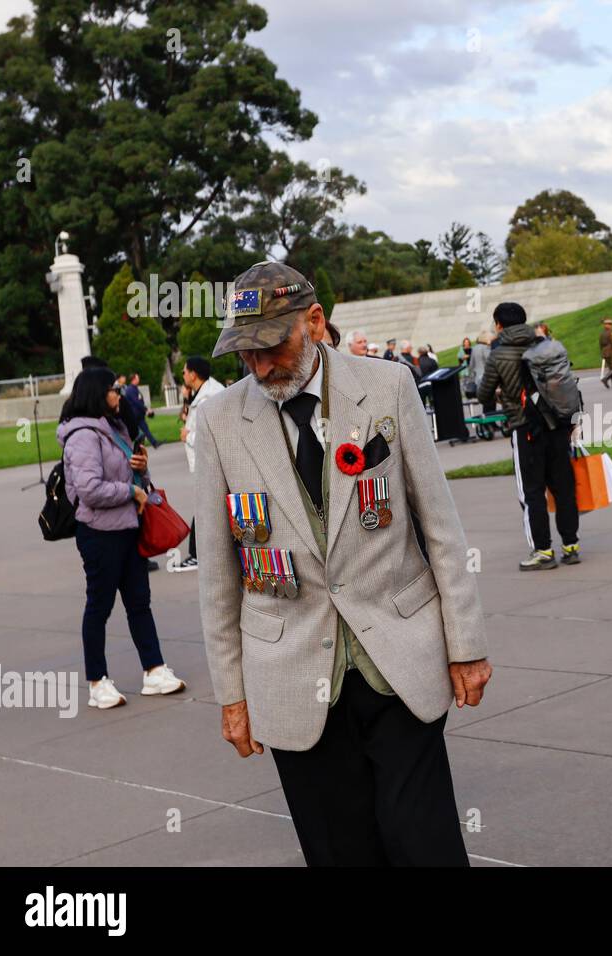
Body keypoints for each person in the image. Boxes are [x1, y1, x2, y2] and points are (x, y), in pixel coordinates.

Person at [196, 261, 491, 866]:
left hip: (399, 660)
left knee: (425, 844)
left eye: (272, 347)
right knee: (340, 853)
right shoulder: (221, 420)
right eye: (245, 354)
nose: (259, 367)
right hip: (290, 673)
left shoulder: (387, 387)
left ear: (315, 322)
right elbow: (218, 576)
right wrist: (232, 695)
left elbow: (440, 527)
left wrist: (467, 644)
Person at [57, 366, 187, 709]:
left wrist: (141, 470)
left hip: (128, 527)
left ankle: (154, 669)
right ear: (97, 393)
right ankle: (97, 681)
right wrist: (131, 490)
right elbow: (89, 489)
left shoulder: (113, 428)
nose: (119, 394)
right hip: (99, 532)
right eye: (113, 388)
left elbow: (127, 475)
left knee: (139, 602)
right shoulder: (83, 435)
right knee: (99, 606)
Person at [477, 301, 580, 570]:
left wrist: (503, 394)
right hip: (557, 427)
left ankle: (543, 551)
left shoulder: (499, 355)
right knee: (563, 488)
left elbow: (483, 394)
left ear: (498, 325)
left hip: (526, 430)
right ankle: (571, 546)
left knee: (532, 492)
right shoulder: (544, 344)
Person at [178, 355, 225, 571]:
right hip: (206, 463)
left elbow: (211, 436)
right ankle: (200, 553)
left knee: (205, 508)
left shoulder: (208, 398)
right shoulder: (203, 393)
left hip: (209, 463)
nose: (183, 375)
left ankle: (197, 554)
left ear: (194, 374)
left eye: (185, 371)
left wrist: (187, 435)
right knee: (208, 507)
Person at [122, 373, 161, 448]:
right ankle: (131, 446)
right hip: (134, 415)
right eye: (137, 378)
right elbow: (136, 402)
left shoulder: (134, 388)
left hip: (139, 414)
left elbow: (139, 400)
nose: (138, 379)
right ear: (134, 379)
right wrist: (146, 409)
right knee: (135, 432)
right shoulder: (130, 389)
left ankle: (154, 443)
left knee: (145, 429)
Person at [470, 332, 494, 414]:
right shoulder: (486, 348)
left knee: (486, 402)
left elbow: (471, 365)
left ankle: (488, 422)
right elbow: (490, 361)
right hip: (487, 377)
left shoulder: (474, 348)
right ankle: (490, 422)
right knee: (490, 401)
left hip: (478, 378)